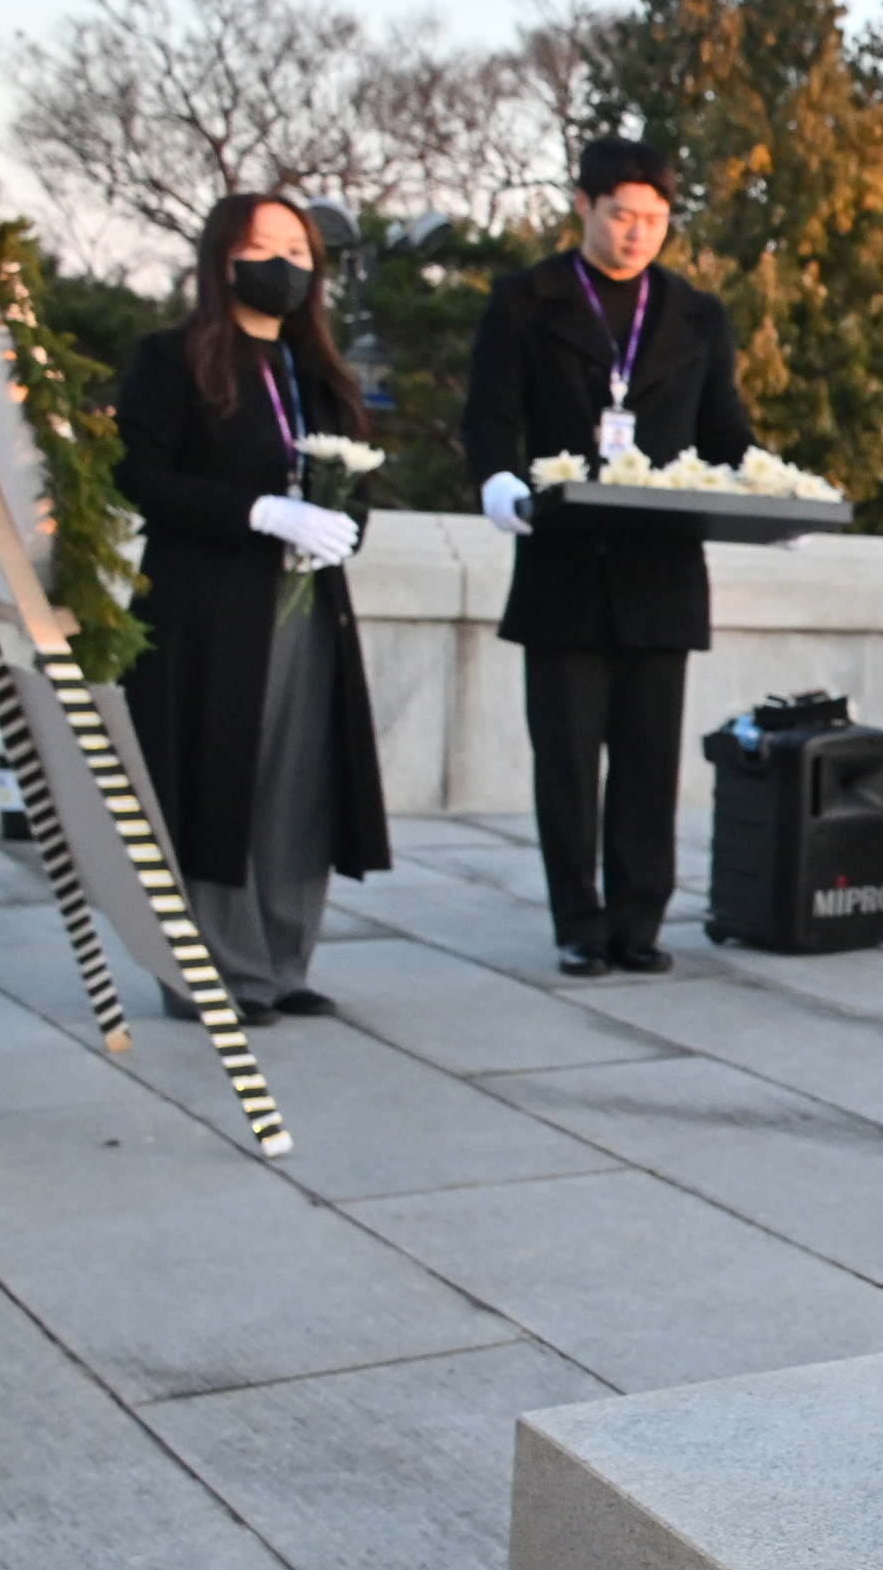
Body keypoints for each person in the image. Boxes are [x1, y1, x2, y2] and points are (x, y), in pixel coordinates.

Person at [463, 138, 755, 975]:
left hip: (659, 568)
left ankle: (639, 920)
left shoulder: (696, 314)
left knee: (649, 760)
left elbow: (723, 430)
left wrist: (776, 494)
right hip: (563, 562)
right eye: (622, 215)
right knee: (565, 757)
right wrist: (493, 483)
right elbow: (489, 415)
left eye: (655, 220)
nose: (637, 234)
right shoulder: (527, 300)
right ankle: (578, 922)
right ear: (584, 206)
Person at [114, 193, 395, 1023]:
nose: (285, 264)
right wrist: (256, 512)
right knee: (212, 777)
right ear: (222, 257)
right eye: (264, 245)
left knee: (297, 785)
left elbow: (356, 482)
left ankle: (281, 961)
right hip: (208, 610)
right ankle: (207, 968)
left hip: (304, 607)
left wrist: (337, 530)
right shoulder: (174, 359)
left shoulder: (319, 375)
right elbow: (139, 475)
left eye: (300, 250)